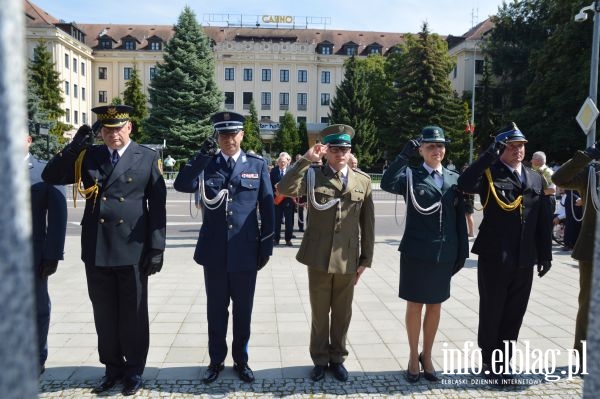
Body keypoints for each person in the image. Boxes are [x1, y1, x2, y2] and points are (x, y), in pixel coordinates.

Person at [42, 105, 166, 396]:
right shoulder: (90, 155)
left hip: (133, 250)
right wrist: (74, 147)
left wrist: (157, 247)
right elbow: (51, 175)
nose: (113, 135)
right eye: (106, 130)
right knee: (105, 315)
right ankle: (112, 369)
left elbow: (157, 207)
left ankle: (134, 370)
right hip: (97, 248)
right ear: (101, 132)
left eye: (118, 129)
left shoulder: (146, 157)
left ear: (129, 128)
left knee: (133, 315)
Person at [173, 111, 274, 384]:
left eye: (233, 134)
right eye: (223, 135)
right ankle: (216, 360)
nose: (229, 139)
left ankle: (241, 360)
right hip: (215, 253)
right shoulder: (208, 163)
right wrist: (202, 156)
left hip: (245, 251)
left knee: (243, 311)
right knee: (216, 310)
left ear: (242, 135)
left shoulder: (257, 164)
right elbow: (182, 184)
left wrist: (266, 247)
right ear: (217, 137)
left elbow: (267, 204)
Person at [277, 124, 375, 382]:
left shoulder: (362, 181)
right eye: (334, 149)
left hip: (348, 258)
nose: (340, 153)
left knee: (343, 313)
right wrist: (305, 161)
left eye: (344, 149)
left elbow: (368, 224)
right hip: (319, 256)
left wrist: (366, 259)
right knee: (320, 313)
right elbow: (284, 188)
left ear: (350, 151)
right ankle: (320, 359)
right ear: (326, 151)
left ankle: (338, 358)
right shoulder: (312, 175)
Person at [457, 123, 552, 384]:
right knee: (492, 310)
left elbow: (541, 219)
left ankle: (504, 361)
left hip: (524, 258)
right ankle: (489, 361)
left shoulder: (534, 177)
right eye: (511, 146)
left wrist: (545, 254)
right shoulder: (489, 173)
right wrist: (489, 154)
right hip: (495, 256)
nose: (517, 150)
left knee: (514, 312)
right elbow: (464, 183)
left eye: (521, 146)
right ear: (502, 149)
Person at [380, 126, 469, 383]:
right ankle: (412, 356)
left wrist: (461, 251)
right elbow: (386, 183)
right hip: (417, 252)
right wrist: (402, 156)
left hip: (443, 253)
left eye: (440, 146)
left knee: (435, 306)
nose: (436, 150)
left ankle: (427, 355)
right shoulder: (411, 175)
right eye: (430, 146)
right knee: (415, 305)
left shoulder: (453, 177)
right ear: (421, 150)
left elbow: (458, 219)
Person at [552, 146, 600, 369]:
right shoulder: (591, 174)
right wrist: (587, 155)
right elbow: (559, 177)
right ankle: (584, 358)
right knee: (589, 305)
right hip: (593, 249)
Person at [27, 134, 67, 376]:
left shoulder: (44, 171)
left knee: (37, 307)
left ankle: (36, 357)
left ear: (28, 140)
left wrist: (52, 255)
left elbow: (58, 217)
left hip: (31, 253)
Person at [271, 152, 295, 246]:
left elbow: (294, 184)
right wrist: (274, 191)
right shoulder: (274, 171)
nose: (282, 163)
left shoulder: (291, 171)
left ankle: (288, 239)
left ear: (287, 162)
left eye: (284, 161)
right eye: (280, 161)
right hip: (277, 199)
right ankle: (276, 239)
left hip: (288, 199)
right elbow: (269, 183)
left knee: (289, 221)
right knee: (277, 220)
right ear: (278, 162)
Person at [461, 164, 476, 237]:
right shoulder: (467, 178)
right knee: (466, 217)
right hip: (466, 200)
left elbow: (472, 191)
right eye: (464, 170)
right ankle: (470, 232)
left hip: (468, 200)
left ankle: (471, 232)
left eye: (465, 170)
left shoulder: (471, 179)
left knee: (469, 217)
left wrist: (463, 191)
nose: (464, 171)